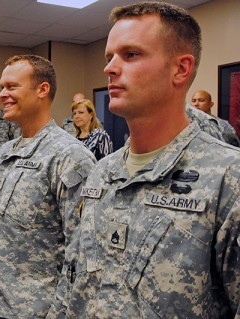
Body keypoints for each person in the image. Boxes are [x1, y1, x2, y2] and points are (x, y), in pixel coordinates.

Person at [49, 2, 240, 318]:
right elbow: (72, 278)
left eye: (131, 55)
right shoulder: (101, 173)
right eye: (109, 57)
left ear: (181, 68)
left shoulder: (227, 178)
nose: (110, 67)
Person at [0, 55, 96, 318]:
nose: (2, 95)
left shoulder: (69, 156)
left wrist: (59, 313)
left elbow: (82, 250)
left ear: (42, 89)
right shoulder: (5, 152)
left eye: (11, 87)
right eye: (2, 87)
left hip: (37, 310)